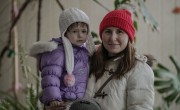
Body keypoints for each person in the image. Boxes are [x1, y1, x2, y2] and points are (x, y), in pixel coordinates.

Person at [84, 7, 154, 110]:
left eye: (119, 31)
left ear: (129, 37)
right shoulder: (89, 60)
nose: (112, 38)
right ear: (101, 35)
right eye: (108, 31)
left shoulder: (139, 70)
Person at [29, 8, 95, 109]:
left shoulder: (85, 51)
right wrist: (53, 99)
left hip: (78, 102)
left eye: (84, 31)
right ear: (65, 32)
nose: (80, 35)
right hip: (61, 101)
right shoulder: (57, 51)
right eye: (75, 31)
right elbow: (50, 76)